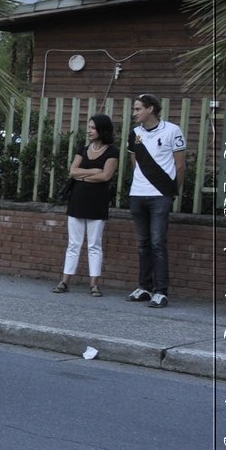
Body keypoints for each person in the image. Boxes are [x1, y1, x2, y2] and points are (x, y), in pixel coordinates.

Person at [125, 93, 187, 308]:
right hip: (138, 194)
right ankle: (144, 287)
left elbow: (180, 165)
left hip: (160, 196)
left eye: (138, 109)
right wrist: (141, 183)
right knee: (143, 243)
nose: (134, 113)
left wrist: (171, 192)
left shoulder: (172, 130)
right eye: (134, 109)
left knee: (158, 243)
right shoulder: (134, 134)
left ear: (150, 109)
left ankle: (161, 291)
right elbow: (135, 162)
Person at [54, 114, 119, 296]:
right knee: (73, 243)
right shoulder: (82, 149)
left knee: (94, 244)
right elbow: (73, 171)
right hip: (77, 200)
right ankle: (65, 281)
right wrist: (92, 172)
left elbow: (105, 176)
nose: (89, 131)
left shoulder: (112, 151)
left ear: (102, 129)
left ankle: (94, 284)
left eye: (92, 127)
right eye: (89, 127)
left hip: (97, 202)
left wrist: (83, 176)